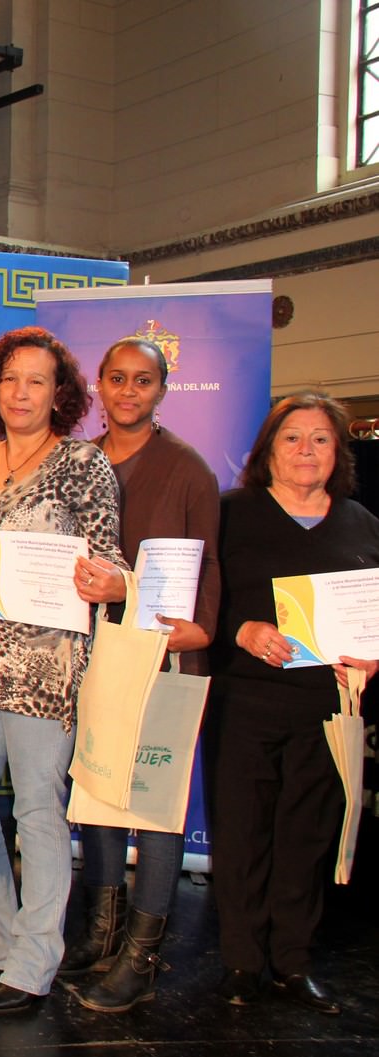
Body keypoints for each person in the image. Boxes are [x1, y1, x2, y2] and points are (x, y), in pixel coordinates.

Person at [0, 327, 128, 1016]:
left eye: (37, 381)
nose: (20, 392)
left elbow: (112, 563)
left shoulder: (84, 466)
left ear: (61, 394)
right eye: (10, 378)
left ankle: (33, 960)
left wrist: (103, 579)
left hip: (45, 665)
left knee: (37, 810)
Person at [63, 338, 220, 1012]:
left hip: (165, 655)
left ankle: (142, 958)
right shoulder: (81, 462)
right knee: (99, 789)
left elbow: (209, 563)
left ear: (162, 389)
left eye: (144, 381)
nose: (129, 391)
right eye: (118, 379)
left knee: (155, 807)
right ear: (99, 384)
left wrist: (201, 629)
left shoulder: (187, 468)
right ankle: (102, 938)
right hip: (95, 650)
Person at [211, 392, 379, 1015]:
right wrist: (242, 630)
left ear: (339, 453)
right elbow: (203, 601)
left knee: (306, 837)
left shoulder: (363, 525)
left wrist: (373, 653)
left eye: (321, 439)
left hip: (329, 709)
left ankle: (292, 963)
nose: (306, 450)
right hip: (244, 702)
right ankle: (241, 962)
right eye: (292, 437)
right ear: (267, 449)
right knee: (243, 833)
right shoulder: (229, 514)